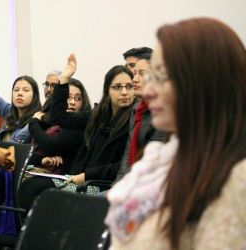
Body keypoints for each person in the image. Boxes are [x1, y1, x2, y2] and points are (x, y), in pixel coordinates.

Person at [105, 17, 246, 250]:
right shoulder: (163, 161)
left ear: (206, 83)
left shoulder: (234, 180)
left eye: (162, 76)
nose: (148, 91)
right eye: (150, 77)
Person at [19, 56, 135, 210]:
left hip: (100, 184)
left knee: (50, 195)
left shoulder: (135, 120)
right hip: (79, 178)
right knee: (30, 186)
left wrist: (86, 175)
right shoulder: (96, 115)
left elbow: (123, 165)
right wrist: (64, 79)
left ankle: (51, 233)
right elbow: (59, 117)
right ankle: (29, 232)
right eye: (117, 87)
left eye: (129, 86)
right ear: (107, 90)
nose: (124, 92)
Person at [0, 41, 42, 144]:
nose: (19, 93)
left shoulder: (39, 118)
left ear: (34, 96)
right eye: (16, 90)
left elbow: (14, 144)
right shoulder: (10, 112)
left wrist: (33, 123)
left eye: (26, 90)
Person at [116, 48, 166, 181]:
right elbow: (126, 158)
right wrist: (116, 188)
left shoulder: (163, 113)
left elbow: (151, 164)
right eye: (135, 73)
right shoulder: (137, 109)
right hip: (129, 184)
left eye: (142, 74)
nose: (135, 79)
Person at [28, 78, 91, 175]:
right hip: (37, 170)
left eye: (78, 98)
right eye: (68, 97)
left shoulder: (79, 127)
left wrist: (33, 123)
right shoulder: (47, 121)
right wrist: (42, 159)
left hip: (64, 180)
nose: (72, 102)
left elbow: (49, 146)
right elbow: (27, 154)